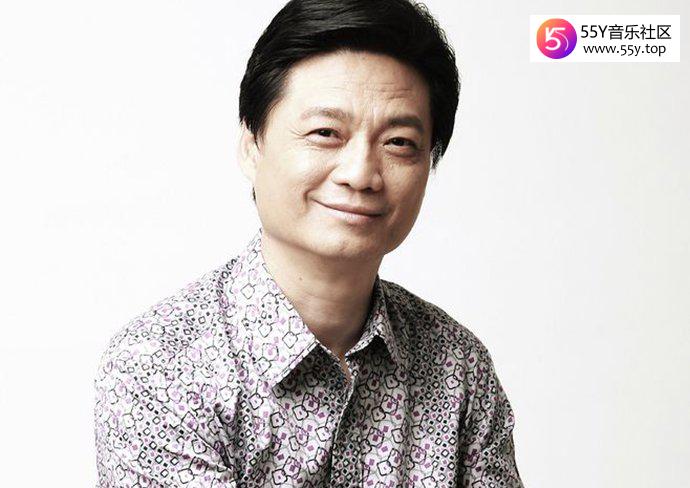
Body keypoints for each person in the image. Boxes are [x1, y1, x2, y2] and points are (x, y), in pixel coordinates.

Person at [94, 0, 524, 486]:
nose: (360, 174)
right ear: (252, 146)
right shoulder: (161, 365)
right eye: (325, 132)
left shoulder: (457, 365)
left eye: (399, 142)